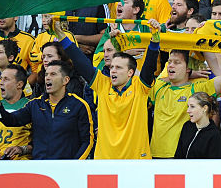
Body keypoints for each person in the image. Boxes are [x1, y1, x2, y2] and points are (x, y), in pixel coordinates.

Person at [56, 18, 160, 159]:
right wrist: (61, 35)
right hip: (105, 161)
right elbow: (79, 60)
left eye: (118, 67)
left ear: (130, 72)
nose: (113, 71)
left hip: (136, 161)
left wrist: (155, 38)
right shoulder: (102, 84)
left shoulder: (140, 86)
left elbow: (150, 65)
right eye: (112, 67)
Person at [0, 58, 94, 159]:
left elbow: (87, 141)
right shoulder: (35, 104)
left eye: (53, 74)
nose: (47, 77)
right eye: (46, 74)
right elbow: (11, 120)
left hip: (67, 170)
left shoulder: (79, 105)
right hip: (40, 169)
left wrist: (75, 164)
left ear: (65, 80)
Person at [0, 64, 32, 160]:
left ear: (19, 84)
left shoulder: (31, 107)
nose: (1, 83)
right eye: (1, 79)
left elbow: (39, 142)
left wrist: (22, 149)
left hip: (22, 166)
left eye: (6, 79)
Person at [174, 92, 221, 159]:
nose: (188, 111)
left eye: (192, 106)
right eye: (188, 107)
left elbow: (213, 165)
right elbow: (178, 156)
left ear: (204, 108)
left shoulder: (215, 134)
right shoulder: (187, 126)